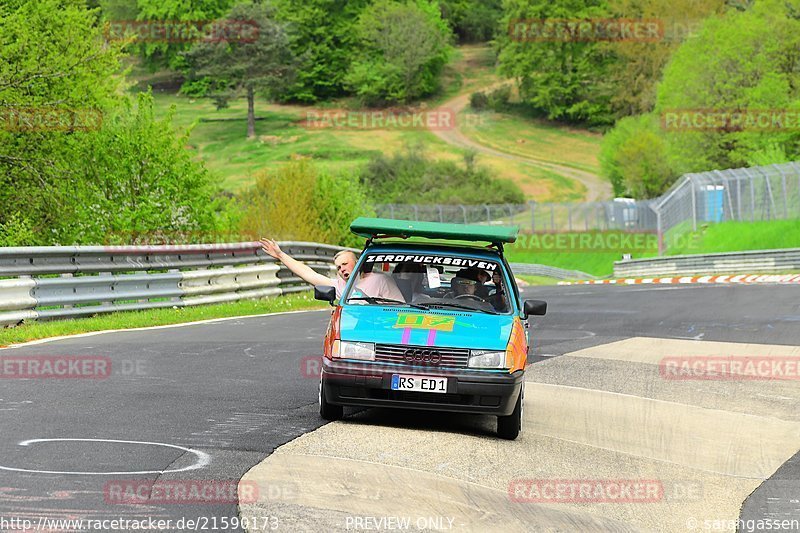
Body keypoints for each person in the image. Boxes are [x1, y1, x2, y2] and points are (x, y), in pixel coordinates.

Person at [259, 238, 404, 300]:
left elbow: (399, 307)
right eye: (339, 267)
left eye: (345, 264)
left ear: (357, 262)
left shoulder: (381, 280)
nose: (342, 269)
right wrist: (280, 255)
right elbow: (307, 273)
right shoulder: (339, 287)